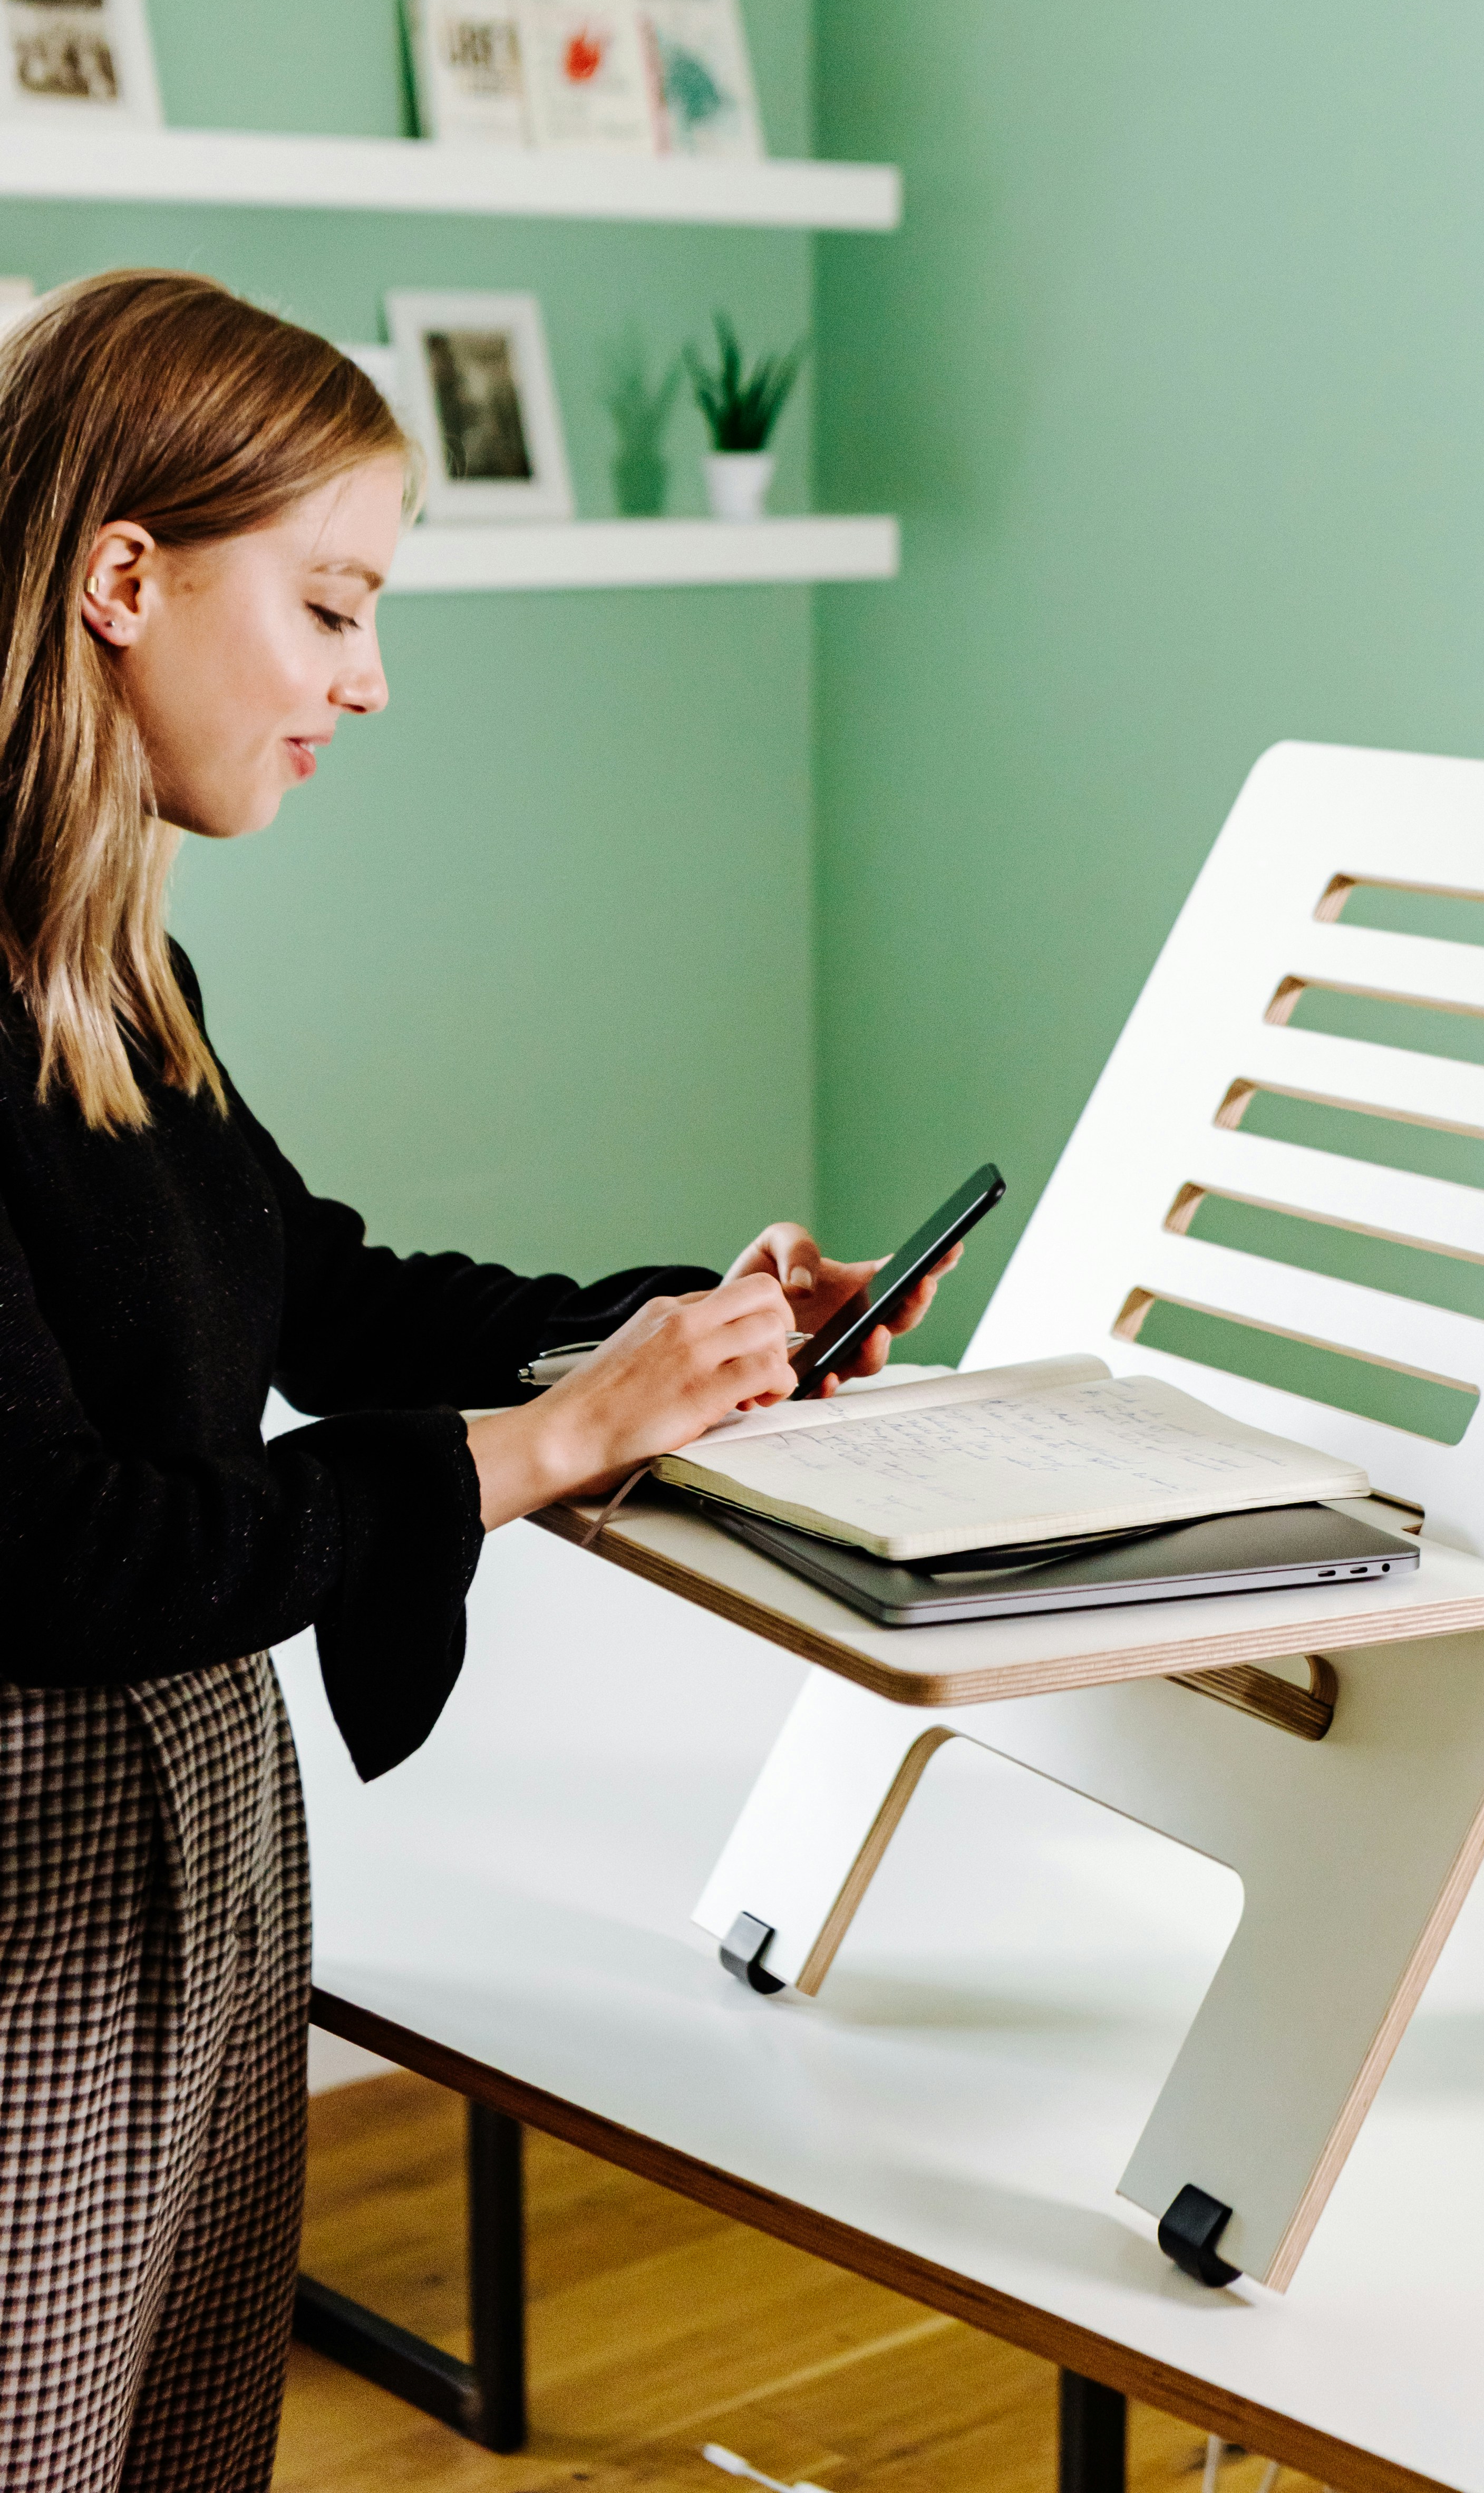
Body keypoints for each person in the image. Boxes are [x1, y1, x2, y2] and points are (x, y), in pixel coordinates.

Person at [0, 270, 949, 2493]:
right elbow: (51, 1540)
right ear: (124, 577)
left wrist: (664, 1337)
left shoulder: (116, 964)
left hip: (193, 1833)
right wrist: (536, 1449)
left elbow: (311, 1290)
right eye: (330, 602)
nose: (370, 675)